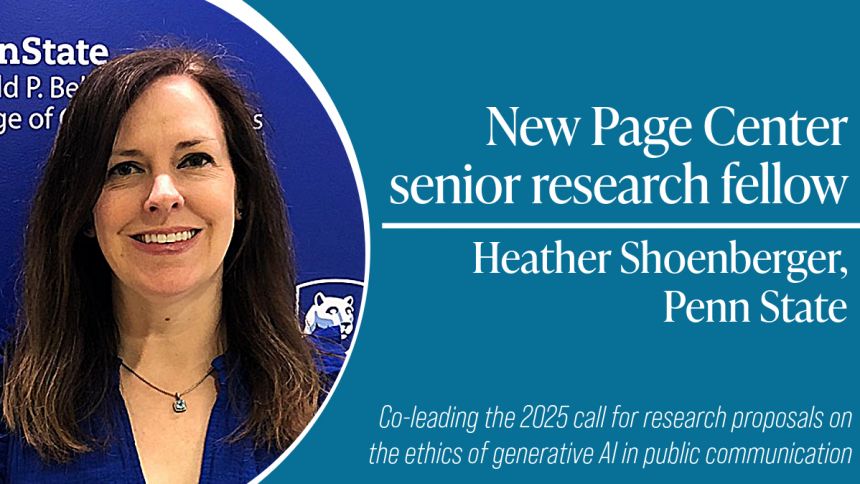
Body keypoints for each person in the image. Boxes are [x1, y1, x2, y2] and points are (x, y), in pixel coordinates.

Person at [0, 47, 339, 483]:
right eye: (124, 168)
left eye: (194, 160)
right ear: (83, 210)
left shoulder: (337, 398)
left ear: (242, 196)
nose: (163, 194)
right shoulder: (12, 408)